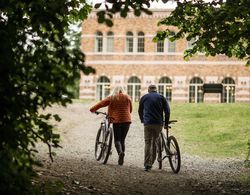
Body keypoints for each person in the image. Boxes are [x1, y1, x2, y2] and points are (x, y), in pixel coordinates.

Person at [90, 86, 132, 165]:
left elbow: (101, 103)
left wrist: (92, 109)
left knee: (117, 140)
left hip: (116, 120)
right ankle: (122, 157)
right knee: (122, 140)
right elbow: (130, 110)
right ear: (122, 90)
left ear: (114, 90)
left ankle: (120, 153)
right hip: (127, 121)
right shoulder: (127, 97)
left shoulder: (112, 97)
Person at [138, 84, 170, 171]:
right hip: (158, 124)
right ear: (156, 90)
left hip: (147, 123)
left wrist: (142, 120)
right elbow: (167, 111)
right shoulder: (161, 97)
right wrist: (166, 123)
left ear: (148, 90)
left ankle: (147, 164)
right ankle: (151, 162)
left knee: (148, 143)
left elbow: (140, 110)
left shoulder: (144, 97)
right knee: (155, 142)